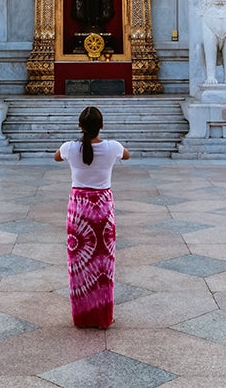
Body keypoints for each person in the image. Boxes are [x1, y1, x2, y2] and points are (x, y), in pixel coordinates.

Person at [54, 105, 128, 328]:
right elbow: (127, 154)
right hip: (103, 207)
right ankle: (103, 316)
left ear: (80, 126)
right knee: (104, 264)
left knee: (79, 263)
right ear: (102, 126)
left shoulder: (69, 148)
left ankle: (82, 316)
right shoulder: (113, 147)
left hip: (79, 209)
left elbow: (56, 157)